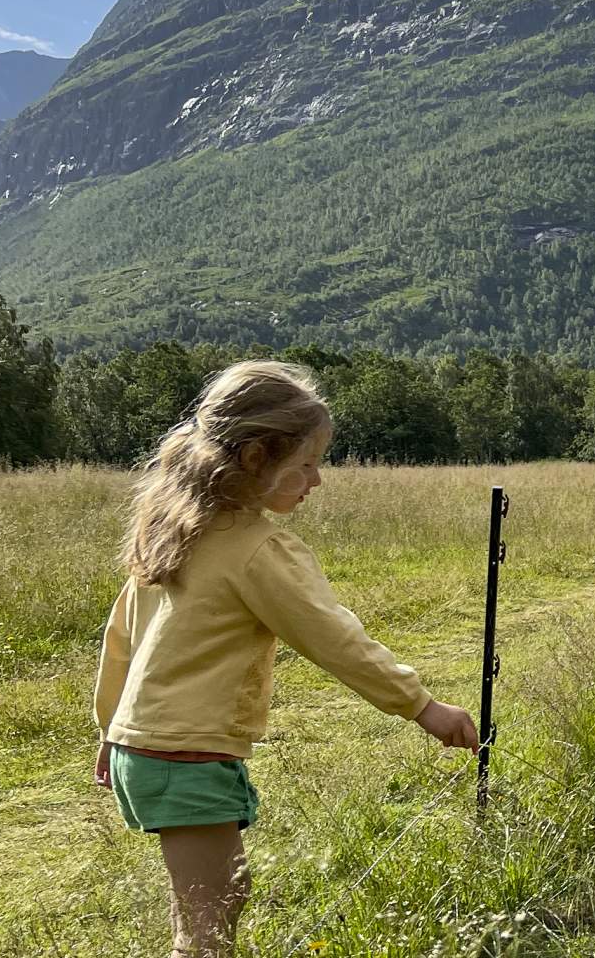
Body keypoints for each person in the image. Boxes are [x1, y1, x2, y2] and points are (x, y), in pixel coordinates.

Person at [91, 360, 479, 957]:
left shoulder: (179, 529)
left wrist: (110, 729)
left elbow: (123, 639)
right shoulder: (256, 548)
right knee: (207, 922)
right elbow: (333, 637)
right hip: (182, 752)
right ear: (256, 459)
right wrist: (422, 706)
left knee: (219, 898)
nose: (316, 480)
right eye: (306, 464)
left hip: (150, 746)